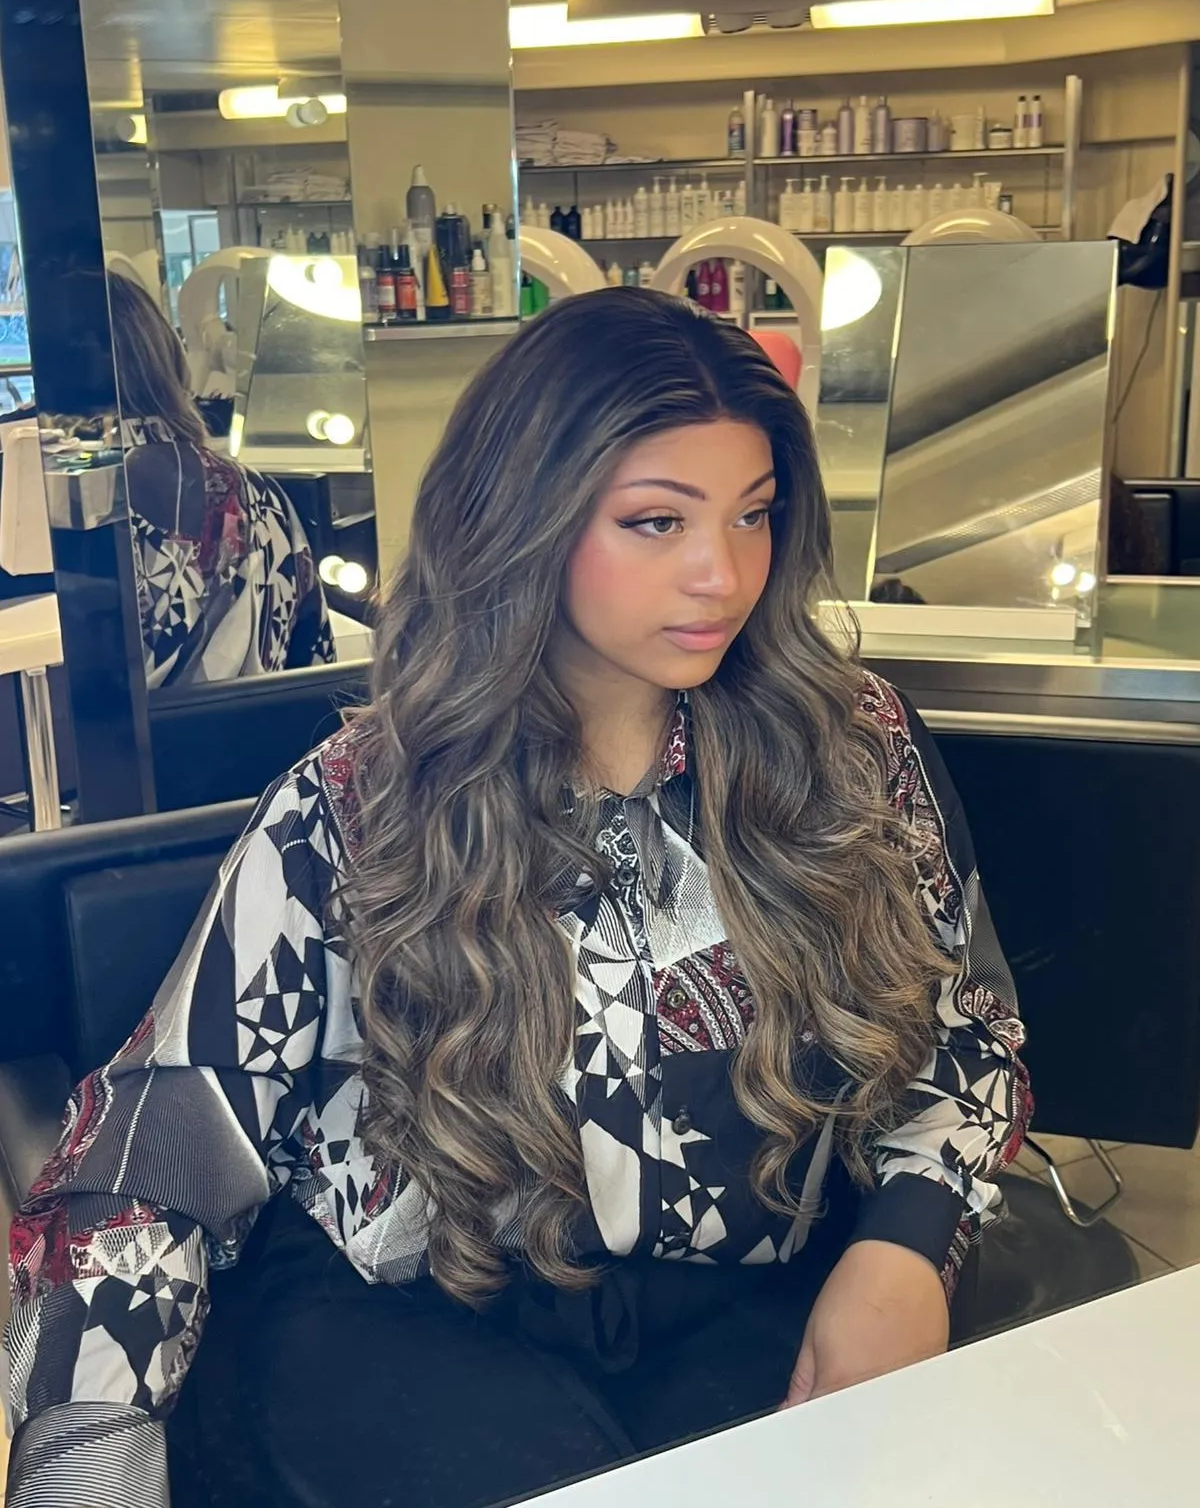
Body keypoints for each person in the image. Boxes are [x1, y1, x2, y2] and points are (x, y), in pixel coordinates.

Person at [4, 291, 1029, 1508]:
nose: (724, 572)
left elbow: (965, 1038)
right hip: (414, 1321)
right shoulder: (354, 807)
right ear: (524, 518)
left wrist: (904, 1245)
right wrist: (90, 1453)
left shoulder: (849, 752)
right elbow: (155, 1152)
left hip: (748, 1303)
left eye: (754, 514)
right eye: (657, 521)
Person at [107, 273, 334, 686]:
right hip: (267, 729)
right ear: (165, 357)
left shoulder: (64, 504)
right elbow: (317, 664)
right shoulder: (262, 497)